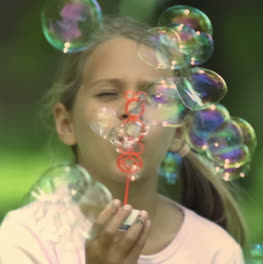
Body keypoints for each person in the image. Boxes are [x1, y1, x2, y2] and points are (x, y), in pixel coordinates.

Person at [0, 16, 247, 264]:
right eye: (108, 93)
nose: (132, 110)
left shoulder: (215, 251)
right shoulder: (26, 237)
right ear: (67, 124)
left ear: (178, 132)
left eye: (155, 97)